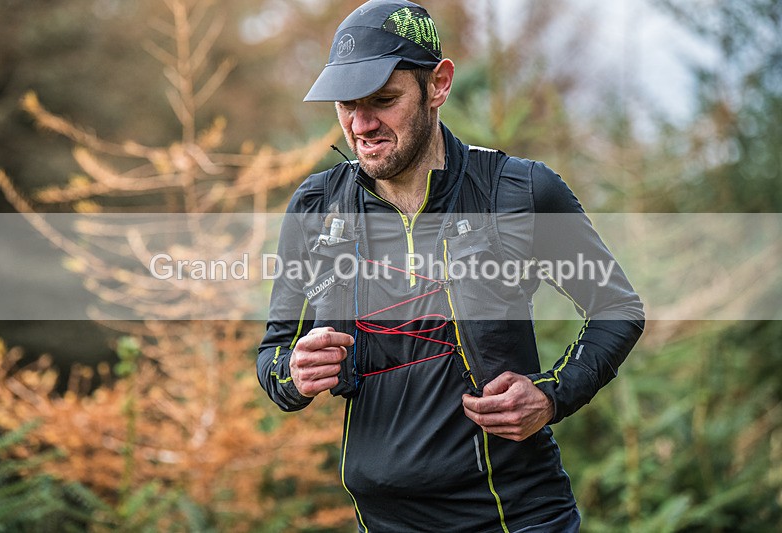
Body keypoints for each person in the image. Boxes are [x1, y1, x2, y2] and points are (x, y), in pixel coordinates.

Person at [257, 1, 644, 531]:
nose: (361, 125)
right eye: (346, 105)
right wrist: (294, 374)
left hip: (513, 515)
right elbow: (274, 354)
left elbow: (616, 308)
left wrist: (551, 396)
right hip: (385, 521)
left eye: (384, 100)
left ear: (438, 84)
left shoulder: (518, 192)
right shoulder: (317, 206)